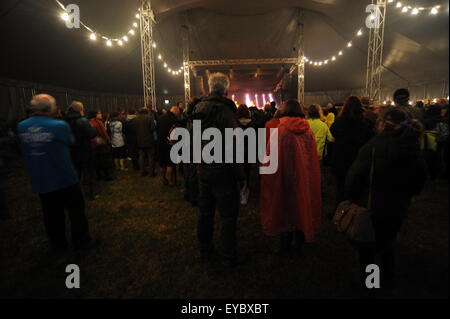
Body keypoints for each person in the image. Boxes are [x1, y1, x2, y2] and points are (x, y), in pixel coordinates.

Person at [345, 108, 427, 290]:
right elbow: (420, 177)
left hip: (373, 205)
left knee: (369, 249)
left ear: (382, 123)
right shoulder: (411, 145)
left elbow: (355, 177)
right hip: (398, 206)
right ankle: (388, 280)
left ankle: (371, 285)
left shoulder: (373, 146)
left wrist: (351, 196)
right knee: (388, 242)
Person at [17, 94, 96, 251]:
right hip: (64, 177)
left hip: (41, 179)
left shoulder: (22, 126)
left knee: (51, 215)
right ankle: (82, 242)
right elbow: (70, 142)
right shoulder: (59, 126)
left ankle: (59, 245)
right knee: (76, 212)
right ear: (49, 108)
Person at [192, 73, 246, 268]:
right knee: (228, 216)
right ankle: (228, 256)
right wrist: (240, 176)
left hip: (204, 169)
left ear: (209, 88)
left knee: (205, 213)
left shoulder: (197, 108)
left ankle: (205, 250)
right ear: (225, 89)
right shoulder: (225, 111)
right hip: (223, 172)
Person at [260, 100, 322, 257]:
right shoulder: (308, 131)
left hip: (284, 178)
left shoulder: (280, 131)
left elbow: (270, 159)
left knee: (285, 208)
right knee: (302, 206)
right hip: (304, 178)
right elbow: (313, 159)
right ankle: (300, 243)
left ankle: (285, 246)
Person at [330, 96, 374, 206]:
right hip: (359, 158)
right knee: (357, 187)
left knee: (341, 188)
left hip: (341, 158)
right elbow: (370, 138)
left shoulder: (339, 121)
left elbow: (333, 132)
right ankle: (354, 214)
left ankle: (340, 212)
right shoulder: (365, 122)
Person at [65, 101, 98, 200]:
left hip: (71, 151)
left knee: (76, 173)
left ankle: (76, 195)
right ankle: (89, 195)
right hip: (84, 150)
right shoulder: (82, 120)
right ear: (80, 109)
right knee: (87, 172)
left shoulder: (64, 120)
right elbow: (92, 134)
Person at [156, 106, 180, 186]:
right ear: (175, 111)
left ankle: (163, 179)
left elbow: (156, 129)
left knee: (162, 163)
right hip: (170, 144)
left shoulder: (160, 118)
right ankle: (170, 181)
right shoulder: (174, 119)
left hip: (160, 143)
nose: (178, 114)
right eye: (178, 113)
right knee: (170, 163)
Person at [87, 110, 113, 181]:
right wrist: (108, 140)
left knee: (96, 160)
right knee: (104, 160)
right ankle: (107, 175)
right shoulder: (98, 122)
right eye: (98, 113)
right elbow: (104, 133)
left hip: (92, 145)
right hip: (101, 144)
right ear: (95, 115)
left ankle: (98, 175)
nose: (101, 114)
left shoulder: (87, 122)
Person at [133, 108, 157, 178]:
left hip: (140, 141)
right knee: (151, 158)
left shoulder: (136, 119)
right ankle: (151, 173)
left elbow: (134, 129)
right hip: (149, 140)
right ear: (146, 112)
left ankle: (142, 172)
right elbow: (153, 128)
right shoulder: (150, 118)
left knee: (141, 157)